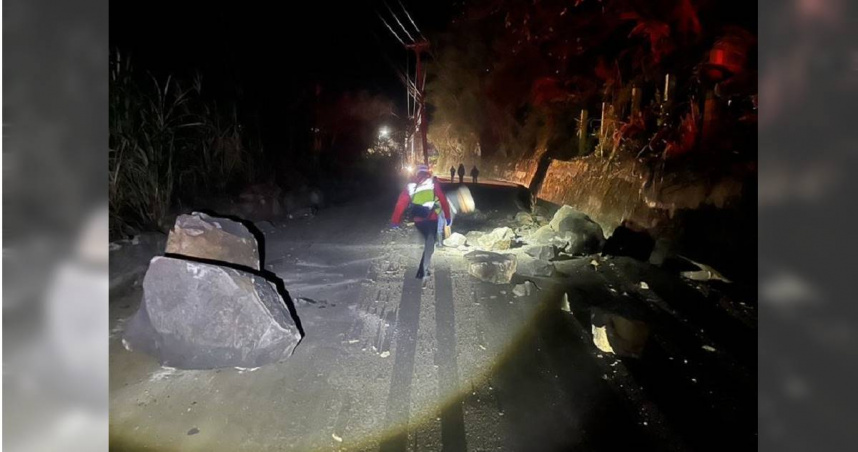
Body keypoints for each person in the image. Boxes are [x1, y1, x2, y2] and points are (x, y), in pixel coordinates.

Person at [390, 165, 452, 280]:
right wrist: (447, 216)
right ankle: (422, 271)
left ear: (417, 173)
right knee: (430, 243)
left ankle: (422, 270)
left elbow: (401, 204)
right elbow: (443, 200)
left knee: (429, 242)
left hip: (419, 220)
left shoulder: (410, 186)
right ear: (427, 173)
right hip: (432, 219)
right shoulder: (433, 184)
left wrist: (395, 221)